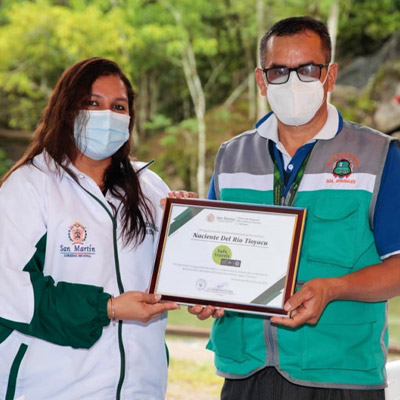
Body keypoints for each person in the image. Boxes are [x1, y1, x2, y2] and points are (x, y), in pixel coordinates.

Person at [193, 16, 400, 399]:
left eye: (307, 69)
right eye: (279, 71)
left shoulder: (379, 156)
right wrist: (205, 289)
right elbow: (214, 256)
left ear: (330, 75)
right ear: (261, 80)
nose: (293, 82)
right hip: (246, 373)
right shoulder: (231, 156)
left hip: (341, 377)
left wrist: (333, 289)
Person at [0, 57, 181, 399]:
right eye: (93, 103)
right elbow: (9, 290)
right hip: (51, 389)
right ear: (67, 109)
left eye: (118, 106)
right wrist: (107, 308)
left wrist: (192, 223)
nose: (107, 115)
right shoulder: (30, 186)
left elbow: (179, 274)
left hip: (140, 388)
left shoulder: (150, 187)